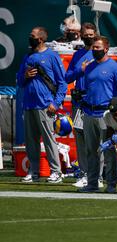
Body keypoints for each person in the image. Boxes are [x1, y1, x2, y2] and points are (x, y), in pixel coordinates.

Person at [78, 35, 117, 193]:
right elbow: (89, 89)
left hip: (106, 114)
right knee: (91, 151)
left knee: (108, 151)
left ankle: (111, 183)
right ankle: (92, 184)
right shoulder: (89, 67)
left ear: (106, 49)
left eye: (97, 47)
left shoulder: (115, 67)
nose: (94, 50)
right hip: (89, 112)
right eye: (93, 47)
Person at [17, 26, 67, 183]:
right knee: (31, 141)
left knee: (48, 139)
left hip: (45, 105)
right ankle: (34, 171)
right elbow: (20, 80)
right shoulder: (28, 56)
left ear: (40, 38)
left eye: (32, 35)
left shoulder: (51, 56)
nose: (29, 37)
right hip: (29, 104)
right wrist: (24, 75)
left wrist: (56, 102)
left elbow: (62, 82)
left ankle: (56, 172)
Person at [65, 22, 97, 188]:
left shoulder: (100, 54)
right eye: (86, 34)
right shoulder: (78, 55)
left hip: (96, 103)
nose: (88, 37)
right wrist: (80, 70)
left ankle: (96, 175)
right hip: (79, 102)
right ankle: (84, 173)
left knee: (96, 142)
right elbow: (68, 77)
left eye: (91, 34)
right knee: (81, 140)